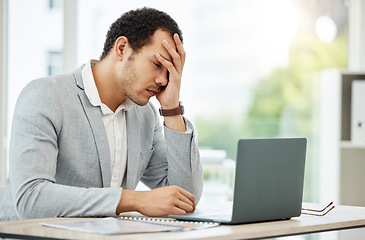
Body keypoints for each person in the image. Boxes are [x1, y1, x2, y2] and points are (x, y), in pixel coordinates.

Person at [0, 7, 203, 221]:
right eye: (156, 64)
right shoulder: (46, 96)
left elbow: (185, 198)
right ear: (122, 48)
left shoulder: (145, 115)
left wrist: (171, 110)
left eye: (170, 71)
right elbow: (30, 198)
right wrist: (134, 200)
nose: (163, 80)